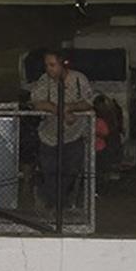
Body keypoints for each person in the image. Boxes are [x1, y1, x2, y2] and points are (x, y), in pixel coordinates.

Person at [30, 49, 93, 211]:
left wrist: (69, 107)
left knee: (70, 172)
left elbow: (88, 102)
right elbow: (38, 102)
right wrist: (62, 112)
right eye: (47, 65)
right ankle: (52, 205)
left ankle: (63, 204)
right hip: (49, 137)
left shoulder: (78, 80)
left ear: (62, 63)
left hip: (74, 136)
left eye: (52, 65)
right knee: (50, 172)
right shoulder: (45, 80)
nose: (49, 69)